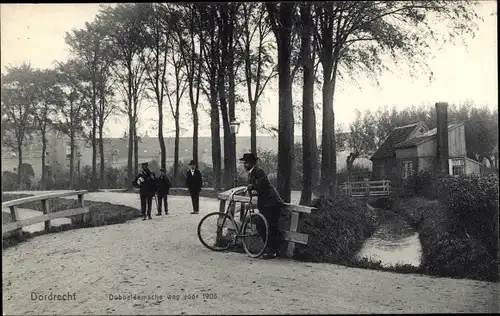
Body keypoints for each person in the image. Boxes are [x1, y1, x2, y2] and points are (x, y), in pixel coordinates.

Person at [240, 153, 284, 259]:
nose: (244, 165)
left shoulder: (259, 171)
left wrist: (252, 186)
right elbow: (256, 188)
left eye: (246, 163)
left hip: (271, 202)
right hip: (265, 203)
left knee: (269, 226)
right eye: (244, 163)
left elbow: (262, 184)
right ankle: (271, 249)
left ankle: (273, 251)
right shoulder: (252, 173)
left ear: (251, 163)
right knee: (262, 225)